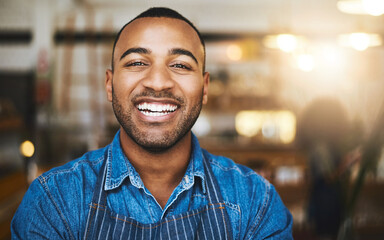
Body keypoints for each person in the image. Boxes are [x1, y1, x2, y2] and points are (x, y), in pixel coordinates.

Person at [11, 7, 292, 239]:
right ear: (109, 84)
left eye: (180, 65)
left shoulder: (255, 201)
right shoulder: (53, 201)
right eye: (136, 63)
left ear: (205, 88)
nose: (158, 82)